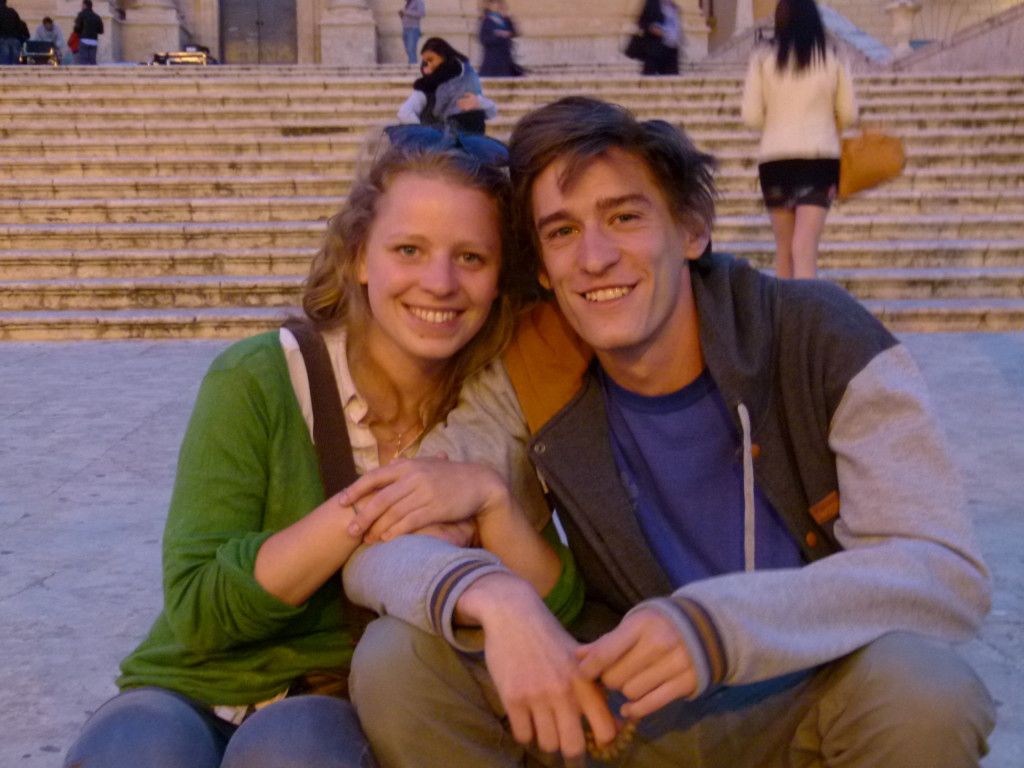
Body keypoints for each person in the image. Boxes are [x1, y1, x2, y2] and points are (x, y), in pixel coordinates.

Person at [340, 96, 995, 767]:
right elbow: (374, 546)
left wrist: (718, 626)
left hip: (810, 696)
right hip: (623, 707)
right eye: (562, 232)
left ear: (691, 230)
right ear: (540, 265)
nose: (594, 257)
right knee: (401, 657)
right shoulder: (536, 364)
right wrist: (498, 599)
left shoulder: (814, 334)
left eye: (624, 217)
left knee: (925, 689)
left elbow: (944, 575)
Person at [61, 129, 552, 768]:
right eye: (409, 249)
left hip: (330, 705)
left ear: (498, 279)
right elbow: (198, 609)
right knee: (134, 752)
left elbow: (556, 601)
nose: (439, 282)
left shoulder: (491, 410)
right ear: (360, 258)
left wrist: (489, 500)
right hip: (190, 687)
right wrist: (364, 510)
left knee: (295, 752)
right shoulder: (257, 378)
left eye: (471, 258)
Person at [741, 0, 858, 279]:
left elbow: (752, 116)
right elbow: (849, 113)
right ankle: (807, 320)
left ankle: (783, 320)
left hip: (776, 159)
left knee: (784, 249)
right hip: (819, 158)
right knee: (804, 249)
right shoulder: (832, 55)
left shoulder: (763, 58)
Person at [397, 37, 498, 135]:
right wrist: (426, 134)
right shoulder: (425, 88)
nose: (428, 66)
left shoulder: (462, 79)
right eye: (425, 62)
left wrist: (478, 103)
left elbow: (491, 111)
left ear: (443, 57)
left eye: (431, 60)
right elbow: (404, 113)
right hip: (440, 141)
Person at [636, 0, 681, 76]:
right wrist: (652, 29)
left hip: (671, 49)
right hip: (655, 49)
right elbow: (642, 22)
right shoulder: (652, 3)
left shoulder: (673, 6)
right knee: (648, 80)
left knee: (672, 81)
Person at [478, 0, 521, 77]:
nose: (497, 5)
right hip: (492, 58)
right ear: (488, 6)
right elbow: (483, 38)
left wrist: (509, 23)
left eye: (498, 3)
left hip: (505, 57)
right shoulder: (486, 20)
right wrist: (498, 35)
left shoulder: (504, 19)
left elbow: (515, 32)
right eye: (494, 3)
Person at [73, 0, 103, 65]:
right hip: (94, 41)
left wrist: (78, 33)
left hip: (83, 39)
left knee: (84, 61)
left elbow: (76, 28)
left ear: (84, 5)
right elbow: (101, 31)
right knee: (93, 61)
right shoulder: (97, 16)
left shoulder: (81, 14)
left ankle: (84, 74)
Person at [0, 0, 28, 65]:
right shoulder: (12, 12)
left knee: (5, 60)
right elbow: (19, 25)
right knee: (15, 60)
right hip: (14, 38)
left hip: (2, 38)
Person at [399, 0, 425, 66]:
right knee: (408, 50)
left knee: (411, 49)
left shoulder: (418, 1)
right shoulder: (408, 3)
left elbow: (421, 13)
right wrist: (402, 16)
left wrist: (406, 12)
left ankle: (413, 66)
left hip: (413, 29)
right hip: (405, 29)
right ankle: (411, 64)